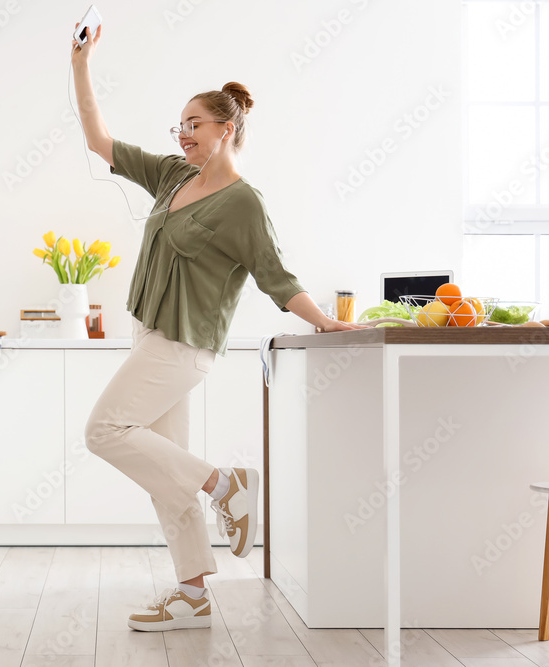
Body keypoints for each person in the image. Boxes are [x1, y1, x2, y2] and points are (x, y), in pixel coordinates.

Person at [72, 24, 367, 632]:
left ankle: (226, 483)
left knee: (103, 430)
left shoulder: (242, 202)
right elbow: (98, 139)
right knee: (163, 473)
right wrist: (80, 63)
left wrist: (327, 322)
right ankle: (194, 593)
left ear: (225, 129)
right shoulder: (173, 177)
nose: (181, 133)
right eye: (177, 125)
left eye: (194, 124)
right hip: (149, 336)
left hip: (184, 347)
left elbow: (277, 276)